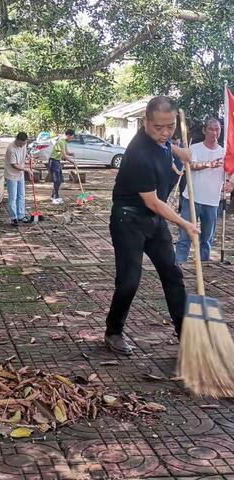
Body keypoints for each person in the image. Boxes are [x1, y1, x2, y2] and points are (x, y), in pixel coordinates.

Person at [104, 96, 199, 355]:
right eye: (158, 127)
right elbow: (154, 202)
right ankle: (113, 331)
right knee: (129, 281)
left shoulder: (162, 139)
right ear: (145, 122)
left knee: (172, 273)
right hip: (129, 220)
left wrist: (181, 152)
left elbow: (168, 145)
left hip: (153, 221)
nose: (165, 132)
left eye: (170, 126)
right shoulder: (139, 155)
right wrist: (185, 224)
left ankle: (185, 335)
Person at [175, 118, 225, 263]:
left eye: (217, 129)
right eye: (211, 129)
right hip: (191, 199)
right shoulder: (195, 148)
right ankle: (178, 265)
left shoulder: (224, 152)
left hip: (212, 202)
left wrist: (230, 183)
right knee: (185, 237)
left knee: (207, 240)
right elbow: (192, 165)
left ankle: (204, 268)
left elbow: (229, 173)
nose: (214, 133)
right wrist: (209, 164)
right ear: (204, 130)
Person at [4, 132, 32, 226]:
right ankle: (13, 218)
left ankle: (21, 215)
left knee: (21, 195)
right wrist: (27, 169)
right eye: (21, 143)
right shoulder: (11, 149)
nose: (22, 145)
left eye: (24, 143)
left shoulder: (24, 144)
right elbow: (14, 165)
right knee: (13, 197)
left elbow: (25, 152)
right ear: (17, 140)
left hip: (20, 174)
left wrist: (28, 157)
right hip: (11, 175)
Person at [49, 129, 75, 204]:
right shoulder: (61, 141)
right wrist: (72, 162)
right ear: (68, 135)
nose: (72, 139)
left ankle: (54, 195)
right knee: (57, 180)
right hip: (53, 161)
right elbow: (64, 156)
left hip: (57, 162)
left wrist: (71, 154)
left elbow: (67, 152)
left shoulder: (65, 142)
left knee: (60, 180)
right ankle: (55, 197)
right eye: (72, 137)